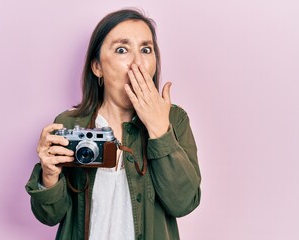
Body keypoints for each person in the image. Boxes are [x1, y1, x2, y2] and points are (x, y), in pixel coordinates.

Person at [25, 8, 201, 240]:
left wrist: (159, 131)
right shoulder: (68, 123)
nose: (137, 63)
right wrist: (48, 176)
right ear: (97, 67)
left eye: (146, 50)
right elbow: (49, 216)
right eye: (122, 50)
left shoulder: (174, 120)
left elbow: (184, 203)